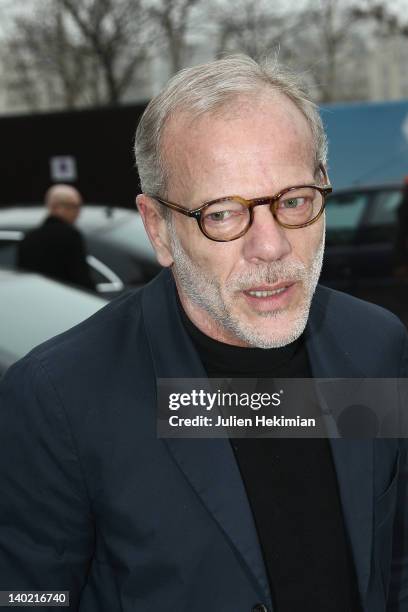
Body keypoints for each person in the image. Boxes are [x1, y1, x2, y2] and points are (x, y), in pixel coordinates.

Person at [0, 55, 407, 612]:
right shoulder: (59, 399)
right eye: (221, 214)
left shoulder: (377, 346)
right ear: (159, 230)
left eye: (293, 202)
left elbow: (394, 560)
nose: (271, 247)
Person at [17, 184, 95, 290]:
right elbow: (81, 277)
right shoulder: (71, 236)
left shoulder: (29, 238)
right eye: (72, 206)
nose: (78, 213)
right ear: (55, 207)